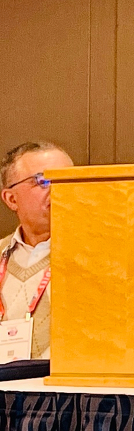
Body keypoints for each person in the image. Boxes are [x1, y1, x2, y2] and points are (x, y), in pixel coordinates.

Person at [0, 141, 73, 359]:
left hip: (65, 390)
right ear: (11, 199)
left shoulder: (99, 255)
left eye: (68, 180)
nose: (58, 188)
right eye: (43, 181)